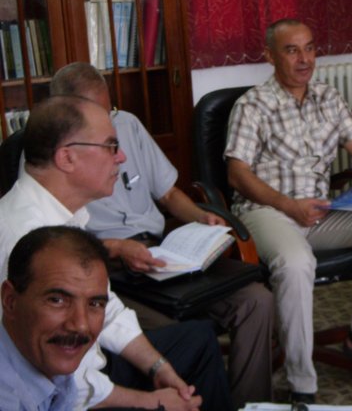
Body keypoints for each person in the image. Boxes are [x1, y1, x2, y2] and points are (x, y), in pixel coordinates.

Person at [49, 62, 274, 409]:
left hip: (160, 252)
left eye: (110, 109)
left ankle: (250, 404)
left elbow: (168, 193)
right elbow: (59, 246)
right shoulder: (52, 156)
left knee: (256, 301)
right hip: (107, 268)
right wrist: (116, 248)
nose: (111, 123)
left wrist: (201, 216)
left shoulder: (128, 125)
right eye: (98, 113)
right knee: (181, 332)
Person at [0, 95, 232, 410]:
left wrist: (159, 367)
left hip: (88, 362)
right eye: (111, 146)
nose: (121, 157)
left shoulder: (65, 216)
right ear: (67, 158)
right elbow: (66, 382)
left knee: (198, 340)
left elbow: (107, 310)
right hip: (67, 392)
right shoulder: (26, 239)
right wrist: (151, 402)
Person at [225, 18, 352, 404]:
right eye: (292, 50)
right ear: (270, 56)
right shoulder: (252, 104)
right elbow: (237, 174)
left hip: (321, 210)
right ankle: (302, 381)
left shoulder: (329, 97)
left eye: (309, 48)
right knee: (296, 263)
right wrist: (288, 205)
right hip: (268, 211)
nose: (304, 59)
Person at [0, 226, 110, 410]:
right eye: (57, 300)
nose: (81, 325)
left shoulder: (47, 362)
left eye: (95, 304)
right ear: (10, 301)